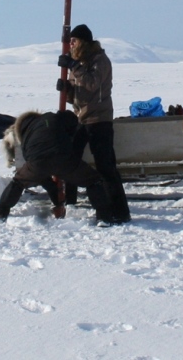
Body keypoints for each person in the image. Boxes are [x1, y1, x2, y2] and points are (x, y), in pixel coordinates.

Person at [55, 24, 132, 223]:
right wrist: (66, 89)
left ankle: (120, 211)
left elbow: (91, 84)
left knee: (106, 167)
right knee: (71, 159)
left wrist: (74, 67)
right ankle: (70, 201)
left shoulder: (100, 60)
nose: (71, 44)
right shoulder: (79, 62)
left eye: (74, 40)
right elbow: (77, 96)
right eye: (70, 40)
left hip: (99, 120)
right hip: (81, 119)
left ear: (84, 42)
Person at [0, 110, 117, 225]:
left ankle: (0, 213)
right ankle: (104, 217)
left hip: (38, 164)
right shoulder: (51, 117)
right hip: (65, 160)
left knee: (17, 183)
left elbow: (32, 161)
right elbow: (71, 119)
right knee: (93, 180)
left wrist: (53, 192)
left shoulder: (26, 133)